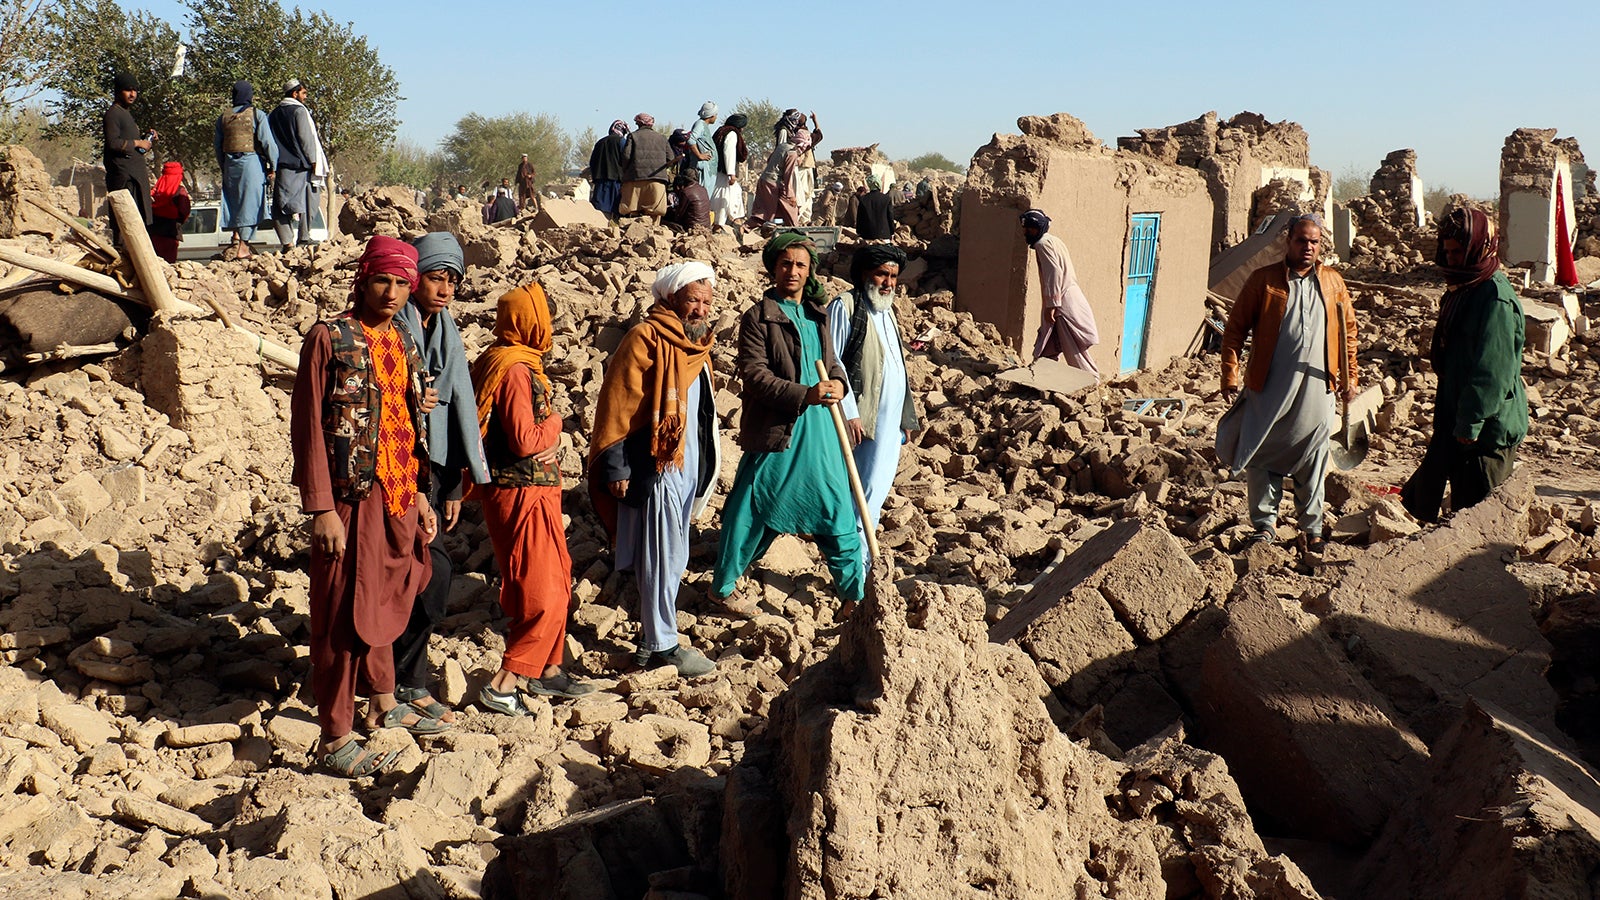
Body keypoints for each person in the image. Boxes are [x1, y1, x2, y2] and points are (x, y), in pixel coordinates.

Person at [290, 235, 448, 778]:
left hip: (398, 493)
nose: (393, 292)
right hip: (348, 498)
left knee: (381, 597)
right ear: (363, 279)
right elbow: (308, 426)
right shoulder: (329, 337)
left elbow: (408, 418)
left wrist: (421, 492)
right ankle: (334, 735)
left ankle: (382, 700)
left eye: (403, 283)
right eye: (383, 280)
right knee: (340, 609)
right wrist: (321, 509)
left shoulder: (401, 339)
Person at [713, 233, 863, 605]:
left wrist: (839, 384)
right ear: (773, 268)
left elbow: (832, 364)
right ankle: (723, 588)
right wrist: (805, 394)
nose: (792, 271)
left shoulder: (817, 315)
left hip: (822, 431)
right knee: (752, 506)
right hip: (780, 429)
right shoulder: (758, 317)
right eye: (785, 264)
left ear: (809, 270)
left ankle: (855, 596)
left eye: (800, 265)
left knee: (835, 508)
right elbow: (755, 376)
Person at [589, 261, 722, 677]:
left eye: (706, 302)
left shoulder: (697, 346)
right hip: (658, 464)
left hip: (689, 465)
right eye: (693, 301)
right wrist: (617, 468)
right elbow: (617, 407)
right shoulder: (645, 338)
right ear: (670, 298)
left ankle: (651, 639)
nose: (700, 310)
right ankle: (664, 643)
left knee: (674, 553)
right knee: (662, 555)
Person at [471, 283, 596, 713]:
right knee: (544, 592)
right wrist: (556, 423)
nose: (549, 328)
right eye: (545, 319)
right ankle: (504, 682)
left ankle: (549, 670)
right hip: (521, 491)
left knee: (557, 577)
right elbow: (525, 440)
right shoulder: (514, 370)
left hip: (530, 492)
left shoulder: (506, 361)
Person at [390, 233, 490, 725]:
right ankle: (391, 684)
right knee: (411, 577)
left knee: (431, 575)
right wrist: (410, 399)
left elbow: (454, 411)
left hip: (430, 475)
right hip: (393, 472)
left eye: (453, 280)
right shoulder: (393, 329)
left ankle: (407, 680)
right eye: (436, 278)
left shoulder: (446, 334)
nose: (446, 289)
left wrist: (450, 486)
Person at [1216, 213, 1357, 553]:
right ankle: (1264, 526)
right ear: (1288, 241)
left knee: (1314, 454)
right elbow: (1234, 330)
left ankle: (1312, 528)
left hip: (1318, 386)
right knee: (1262, 450)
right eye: (1301, 240)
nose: (1308, 247)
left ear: (1320, 245)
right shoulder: (1263, 281)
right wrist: (1230, 373)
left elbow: (1348, 334)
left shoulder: (1333, 282)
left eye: (1314, 242)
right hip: (1269, 386)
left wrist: (1350, 376)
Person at [1400, 207, 1527, 524]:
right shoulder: (1465, 287)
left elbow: (1492, 370)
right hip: (1459, 416)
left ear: (1479, 248)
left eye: (1457, 252)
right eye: (1447, 252)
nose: (1451, 259)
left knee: (1479, 517)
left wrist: (1471, 420)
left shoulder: (1493, 297)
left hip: (1486, 429)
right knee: (1435, 495)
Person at [827, 244, 919, 560]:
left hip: (890, 426)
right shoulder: (845, 306)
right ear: (864, 273)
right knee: (861, 493)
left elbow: (897, 368)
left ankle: (862, 561)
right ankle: (856, 563)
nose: (888, 282)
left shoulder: (887, 310)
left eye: (893, 276)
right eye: (882, 274)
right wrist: (849, 413)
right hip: (862, 422)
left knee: (875, 492)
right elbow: (833, 363)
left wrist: (905, 418)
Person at [1021, 209, 1099, 376]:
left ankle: (1090, 381)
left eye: (1030, 228)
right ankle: (1041, 376)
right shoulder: (1053, 241)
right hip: (1064, 298)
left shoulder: (1043, 245)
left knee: (1073, 349)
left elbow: (1054, 273)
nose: (1026, 232)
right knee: (1047, 345)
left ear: (1039, 228)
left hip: (1063, 302)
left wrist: (1052, 305)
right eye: (1025, 228)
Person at [213, 80, 276, 260]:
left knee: (235, 203)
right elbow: (268, 143)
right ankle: (243, 247)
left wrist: (224, 167)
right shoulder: (257, 114)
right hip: (251, 165)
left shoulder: (223, 117)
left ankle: (236, 238)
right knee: (251, 204)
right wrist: (274, 165)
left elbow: (218, 146)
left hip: (230, 166)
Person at [268, 78, 328, 249]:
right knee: (307, 202)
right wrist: (314, 161)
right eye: (303, 93)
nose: (305, 97)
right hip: (300, 166)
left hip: (282, 166)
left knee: (282, 205)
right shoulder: (299, 111)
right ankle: (301, 238)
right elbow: (306, 139)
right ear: (295, 94)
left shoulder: (273, 114)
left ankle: (289, 241)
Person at [102, 71, 155, 248]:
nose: (132, 94)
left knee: (138, 221)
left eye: (135, 90)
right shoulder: (113, 114)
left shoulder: (125, 114)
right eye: (127, 90)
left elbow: (130, 144)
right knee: (125, 222)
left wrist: (145, 140)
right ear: (118, 91)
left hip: (134, 176)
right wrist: (137, 142)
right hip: (124, 178)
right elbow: (113, 143)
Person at [749, 128, 810, 228]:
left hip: (765, 180)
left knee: (769, 211)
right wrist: (791, 195)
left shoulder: (782, 146)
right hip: (773, 183)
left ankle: (746, 227)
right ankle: (794, 230)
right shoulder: (792, 153)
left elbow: (769, 160)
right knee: (773, 212)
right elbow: (787, 175)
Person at [620, 114, 673, 225]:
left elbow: (626, 157)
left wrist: (625, 171)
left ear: (638, 123)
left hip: (635, 179)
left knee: (632, 210)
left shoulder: (633, 136)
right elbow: (671, 158)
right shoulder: (662, 138)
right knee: (655, 213)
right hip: (657, 180)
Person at [147, 161, 190, 264]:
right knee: (168, 264)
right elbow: (184, 211)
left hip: (152, 232)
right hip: (171, 233)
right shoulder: (180, 191)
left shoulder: (154, 192)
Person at [710, 113, 748, 231]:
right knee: (723, 199)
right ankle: (719, 225)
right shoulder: (732, 134)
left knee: (733, 194)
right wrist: (731, 173)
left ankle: (733, 221)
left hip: (718, 171)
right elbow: (729, 152)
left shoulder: (721, 131)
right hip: (724, 173)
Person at [589, 120, 629, 219]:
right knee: (616, 209)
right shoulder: (622, 142)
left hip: (600, 180)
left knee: (600, 210)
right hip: (616, 181)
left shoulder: (600, 142)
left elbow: (592, 162)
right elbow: (627, 158)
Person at [688, 101, 719, 197]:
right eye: (715, 114)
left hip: (709, 169)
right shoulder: (700, 124)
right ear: (711, 115)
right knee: (703, 195)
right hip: (705, 168)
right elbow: (691, 140)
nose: (716, 117)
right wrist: (699, 155)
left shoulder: (704, 125)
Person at [855, 176, 894, 241]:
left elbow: (860, 218)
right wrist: (892, 232)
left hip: (867, 235)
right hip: (884, 235)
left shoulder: (863, 199)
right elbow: (890, 217)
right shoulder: (886, 199)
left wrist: (859, 232)